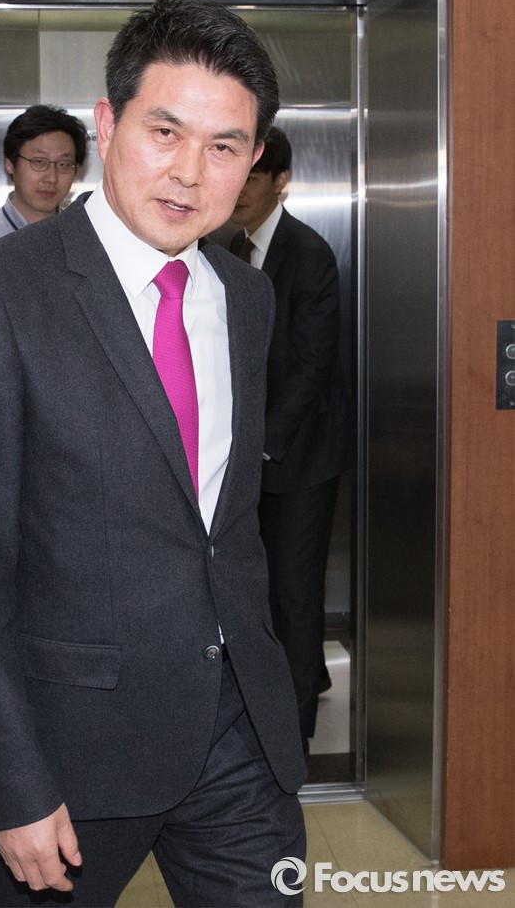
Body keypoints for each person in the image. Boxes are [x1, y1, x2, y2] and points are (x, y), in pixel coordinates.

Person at [0, 0, 306, 908]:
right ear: (107, 123)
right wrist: (11, 780)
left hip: (238, 733)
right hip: (71, 746)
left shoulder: (246, 299)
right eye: (164, 131)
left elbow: (224, 523)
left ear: (254, 159)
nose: (189, 172)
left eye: (224, 146)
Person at [229, 127, 352, 755]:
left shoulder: (308, 254)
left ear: (281, 182)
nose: (240, 189)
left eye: (253, 177)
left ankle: (295, 739)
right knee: (266, 589)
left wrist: (262, 443)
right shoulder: (232, 246)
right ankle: (303, 685)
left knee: (295, 594)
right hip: (254, 456)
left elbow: (310, 367)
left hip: (300, 458)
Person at [0, 104, 88, 242]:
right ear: (10, 164)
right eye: (39, 162)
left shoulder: (83, 237)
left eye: (64, 164)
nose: (52, 178)